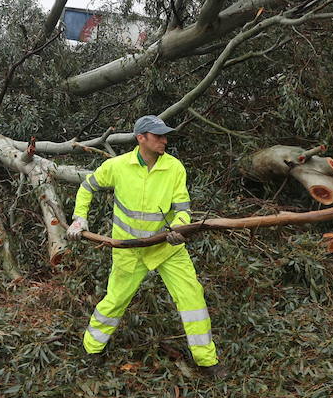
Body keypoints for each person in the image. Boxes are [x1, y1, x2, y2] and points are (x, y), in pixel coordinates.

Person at [67, 115, 223, 377]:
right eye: (158, 136)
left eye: (165, 135)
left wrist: (179, 228)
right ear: (141, 138)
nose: (164, 140)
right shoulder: (117, 166)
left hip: (167, 248)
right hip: (128, 250)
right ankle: (91, 351)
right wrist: (79, 217)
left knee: (192, 298)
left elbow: (183, 208)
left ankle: (208, 362)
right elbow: (87, 187)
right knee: (115, 301)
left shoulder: (174, 168)